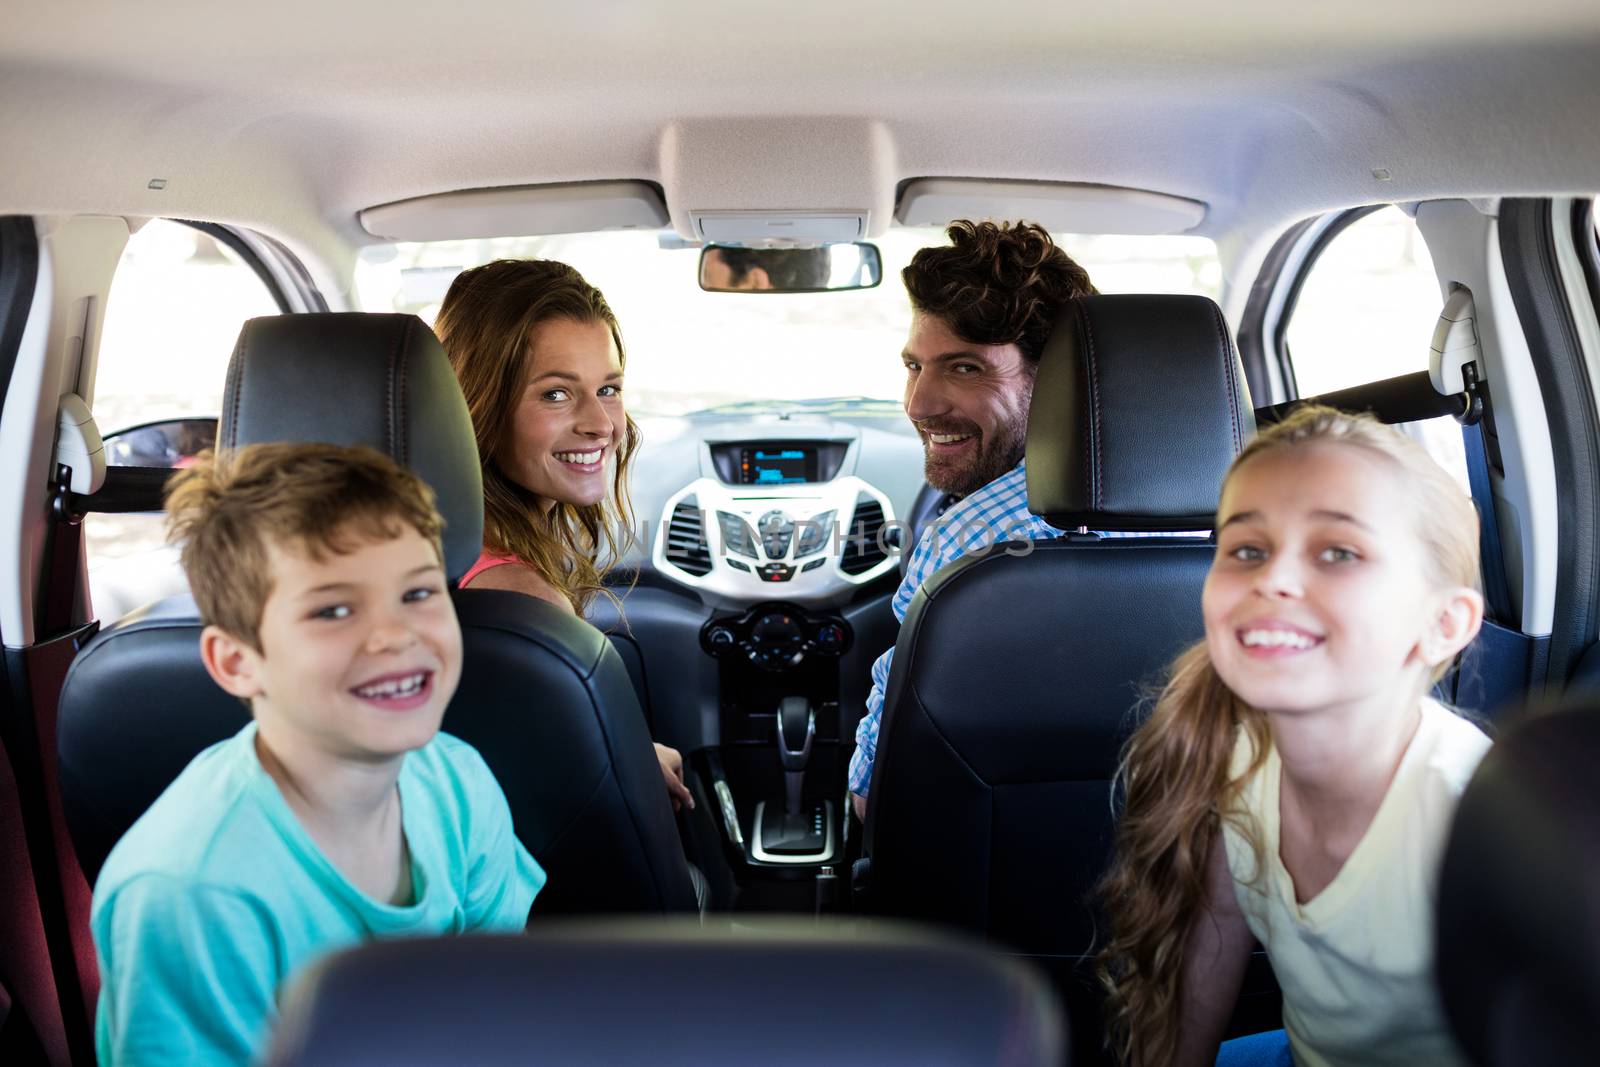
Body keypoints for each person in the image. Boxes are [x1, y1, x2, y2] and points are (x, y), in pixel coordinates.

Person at [91, 443, 546, 1066]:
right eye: (333, 609)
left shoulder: (457, 780)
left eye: (417, 594)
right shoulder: (191, 890)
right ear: (237, 662)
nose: (395, 636)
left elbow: (494, 1001)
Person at [1096, 406, 1489, 1067]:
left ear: (1444, 622)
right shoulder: (1236, 752)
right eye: (1247, 549)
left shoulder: (1470, 821)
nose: (1272, 578)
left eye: (1339, 552)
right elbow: (1210, 938)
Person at [847, 219, 1098, 818]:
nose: (919, 405)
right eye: (915, 366)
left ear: (1055, 378)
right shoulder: (1224, 529)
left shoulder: (965, 547)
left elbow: (871, 797)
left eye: (965, 368)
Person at [434, 258, 693, 811]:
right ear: (478, 404)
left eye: (609, 388)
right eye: (556, 394)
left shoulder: (437, 546)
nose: (601, 424)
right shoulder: (518, 600)